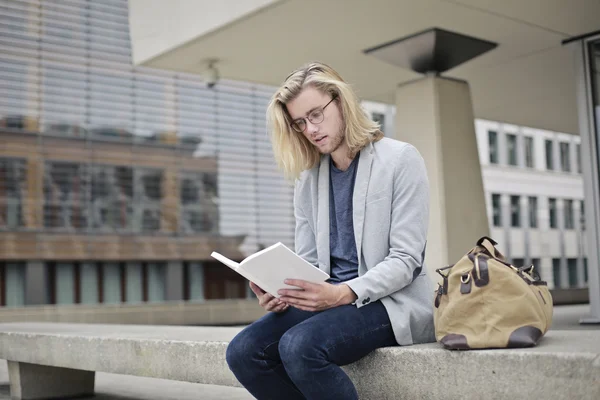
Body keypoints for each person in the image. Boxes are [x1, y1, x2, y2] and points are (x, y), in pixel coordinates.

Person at [225, 62, 435, 400]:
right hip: (329, 301)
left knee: (299, 347)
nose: (310, 129)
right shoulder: (309, 180)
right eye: (300, 123)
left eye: (315, 114)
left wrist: (344, 293)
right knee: (243, 352)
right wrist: (283, 290)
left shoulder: (400, 159)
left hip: (390, 301)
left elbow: (406, 260)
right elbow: (308, 262)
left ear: (340, 102)